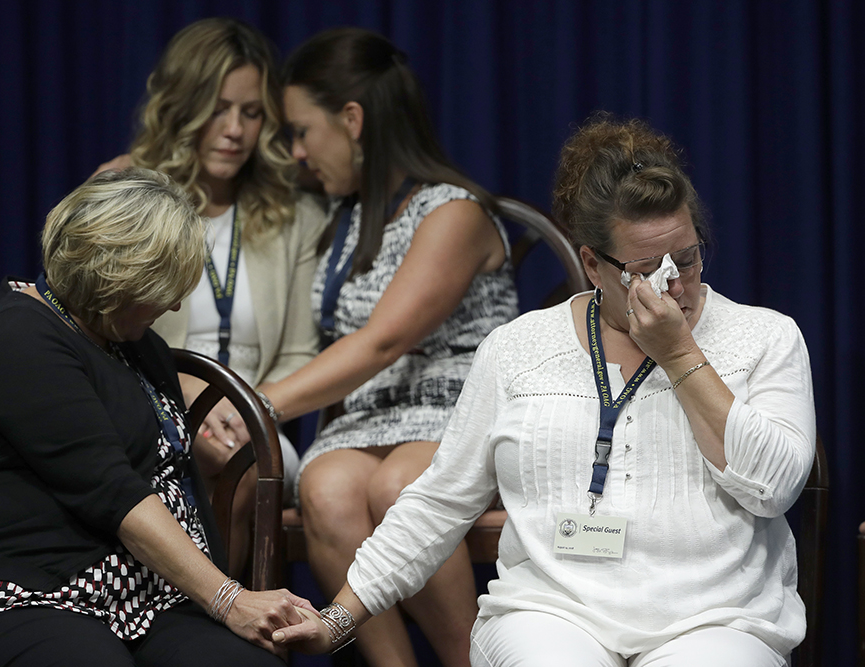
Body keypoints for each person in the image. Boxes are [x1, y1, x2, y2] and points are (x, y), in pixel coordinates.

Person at [272, 115, 816, 667]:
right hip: (552, 613)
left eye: (689, 258)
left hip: (716, 618)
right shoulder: (518, 348)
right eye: (646, 268)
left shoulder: (765, 337)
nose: (673, 284)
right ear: (591, 264)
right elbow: (438, 502)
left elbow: (774, 486)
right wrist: (337, 619)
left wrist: (679, 355)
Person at [0, 169, 314, 667]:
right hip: (5, 586)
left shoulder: (135, 344)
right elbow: (115, 494)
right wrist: (229, 599)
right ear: (115, 275)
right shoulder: (18, 339)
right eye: (163, 287)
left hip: (137, 599)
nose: (173, 303)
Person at [208, 27, 518, 666]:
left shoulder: (452, 212)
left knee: (403, 485)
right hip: (366, 420)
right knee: (325, 486)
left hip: (455, 415)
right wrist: (142, 166)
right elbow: (228, 176)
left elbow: (383, 341)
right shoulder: (336, 215)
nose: (294, 151)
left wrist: (252, 405)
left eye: (301, 131)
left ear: (351, 120)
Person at [95, 17, 328, 574]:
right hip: (149, 403)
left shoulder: (297, 214)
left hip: (256, 418)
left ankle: (222, 630)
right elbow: (99, 331)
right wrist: (186, 407)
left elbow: (301, 351)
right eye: (218, 108)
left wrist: (246, 409)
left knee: (241, 464)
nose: (234, 131)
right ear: (184, 106)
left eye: (251, 114)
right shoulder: (127, 192)